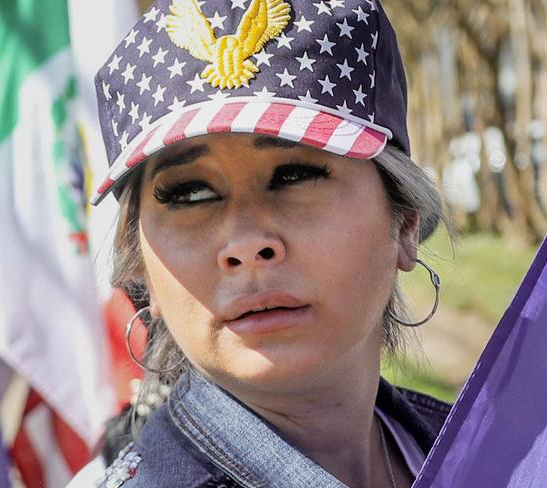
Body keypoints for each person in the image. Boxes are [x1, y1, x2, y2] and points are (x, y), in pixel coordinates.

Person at [70, 0, 452, 486]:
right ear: (141, 266)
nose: (248, 243)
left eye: (295, 175)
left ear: (405, 224)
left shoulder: (515, 454)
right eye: (191, 194)